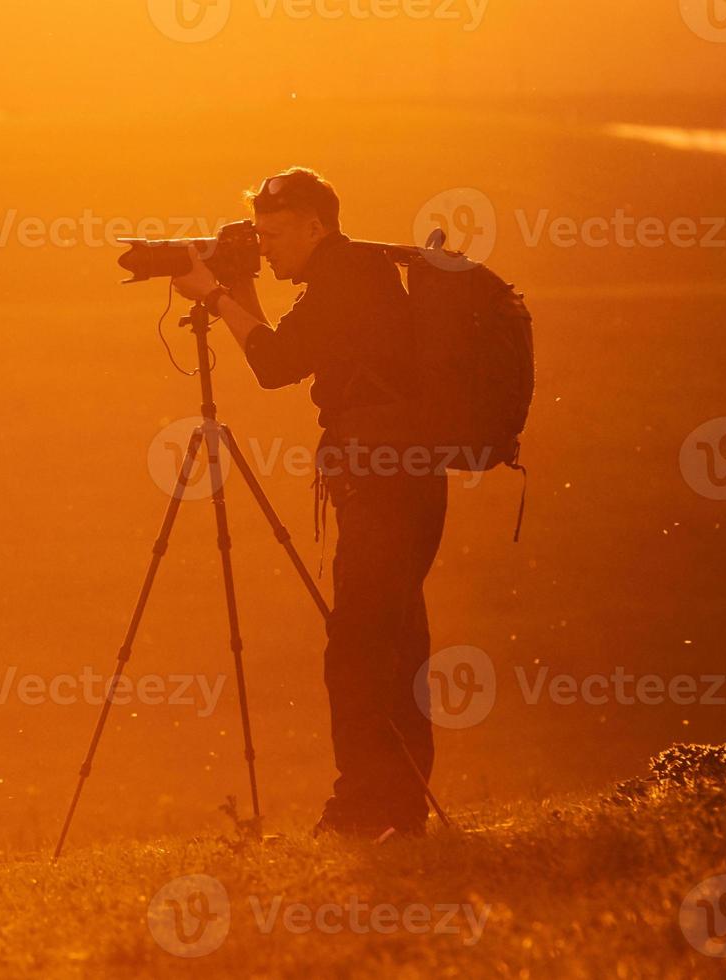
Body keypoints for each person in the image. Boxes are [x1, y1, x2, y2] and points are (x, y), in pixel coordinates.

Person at [170, 167, 447, 838]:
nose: (265, 248)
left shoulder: (346, 279)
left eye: (273, 235)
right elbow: (279, 357)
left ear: (316, 226)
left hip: (383, 476)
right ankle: (397, 804)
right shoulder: (352, 276)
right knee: (394, 637)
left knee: (358, 644)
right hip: (403, 472)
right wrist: (235, 291)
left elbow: (276, 363)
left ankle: (364, 806)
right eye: (257, 236)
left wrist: (212, 295)